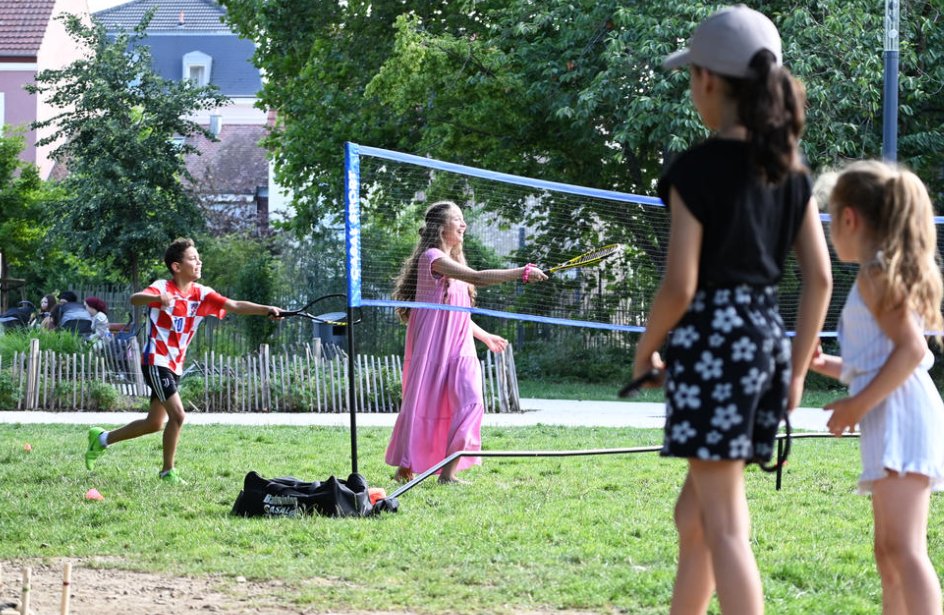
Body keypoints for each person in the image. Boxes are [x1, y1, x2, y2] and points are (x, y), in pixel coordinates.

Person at [630, 6, 832, 614]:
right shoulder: (789, 169)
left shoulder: (696, 167)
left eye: (691, 75)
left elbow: (680, 285)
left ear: (708, 80)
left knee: (724, 526)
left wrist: (646, 349)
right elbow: (820, 279)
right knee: (693, 515)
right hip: (764, 344)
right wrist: (795, 373)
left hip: (713, 347)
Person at [809, 161, 944, 614]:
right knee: (888, 550)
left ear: (850, 218)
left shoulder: (875, 275)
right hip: (893, 410)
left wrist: (855, 405)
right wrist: (826, 364)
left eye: (831, 220)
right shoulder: (875, 275)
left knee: (904, 550)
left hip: (901, 413)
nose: (830, 233)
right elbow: (878, 362)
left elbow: (909, 352)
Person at [84, 237, 283, 484]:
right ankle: (167, 472)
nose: (199, 262)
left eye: (199, 258)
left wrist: (267, 309)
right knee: (178, 415)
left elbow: (234, 305)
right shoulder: (162, 287)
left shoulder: (202, 294)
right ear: (177, 266)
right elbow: (136, 298)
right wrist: (157, 300)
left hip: (174, 365)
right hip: (156, 360)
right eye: (193, 258)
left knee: (155, 423)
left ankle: (101, 439)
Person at [385, 201, 548, 484]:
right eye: (457, 219)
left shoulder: (456, 263)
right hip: (434, 347)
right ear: (440, 227)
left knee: (471, 401)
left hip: (460, 348)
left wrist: (484, 335)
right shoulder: (432, 258)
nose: (464, 225)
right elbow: (477, 278)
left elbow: (457, 312)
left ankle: (447, 474)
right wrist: (521, 272)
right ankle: (406, 466)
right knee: (423, 404)